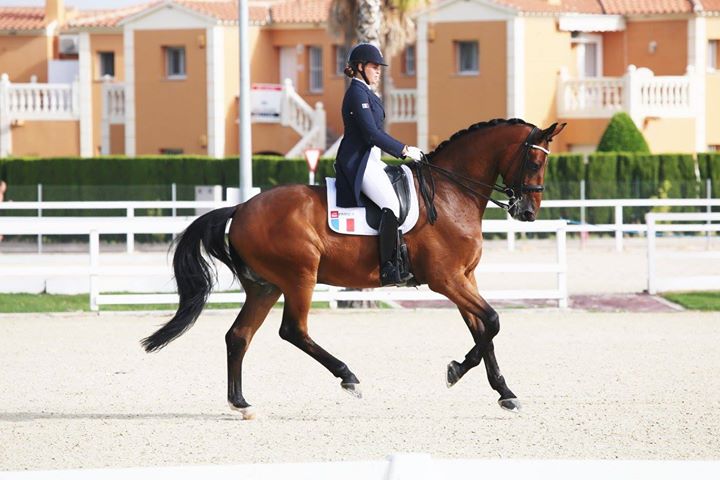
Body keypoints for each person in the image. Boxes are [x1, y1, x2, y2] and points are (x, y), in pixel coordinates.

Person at [334, 43, 424, 286]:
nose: (378, 71)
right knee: (391, 204)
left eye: (379, 67)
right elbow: (372, 134)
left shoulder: (367, 94)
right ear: (360, 67)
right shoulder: (356, 93)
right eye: (374, 67)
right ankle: (389, 267)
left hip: (373, 160)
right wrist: (404, 150)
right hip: (358, 163)